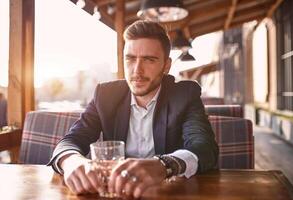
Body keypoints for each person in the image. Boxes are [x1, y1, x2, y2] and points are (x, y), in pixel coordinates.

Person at [48, 20, 218, 198]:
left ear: (166, 65)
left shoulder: (184, 94)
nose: (137, 70)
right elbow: (70, 141)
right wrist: (72, 162)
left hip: (166, 194)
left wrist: (164, 165)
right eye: (130, 59)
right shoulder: (106, 95)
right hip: (113, 193)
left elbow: (205, 148)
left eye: (149, 60)